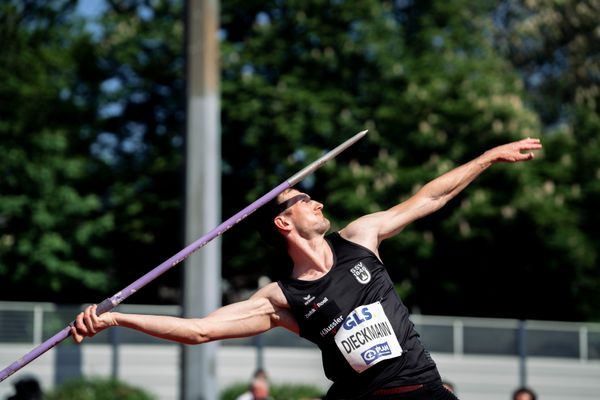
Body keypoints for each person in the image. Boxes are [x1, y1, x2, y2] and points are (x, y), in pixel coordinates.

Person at [71, 138, 542, 399]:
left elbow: (430, 197)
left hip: (419, 391)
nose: (316, 201)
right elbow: (197, 330)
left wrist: (485, 157)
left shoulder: (361, 238)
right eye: (303, 199)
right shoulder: (281, 299)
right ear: (283, 221)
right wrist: (114, 317)